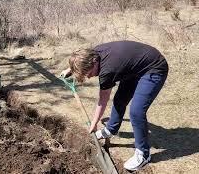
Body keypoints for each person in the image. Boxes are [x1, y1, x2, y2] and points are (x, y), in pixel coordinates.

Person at [60, 40, 168, 171]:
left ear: (94, 63)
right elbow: (82, 58)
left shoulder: (107, 71)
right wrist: (71, 69)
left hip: (154, 68)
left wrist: (93, 124)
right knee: (119, 100)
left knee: (136, 112)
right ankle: (111, 129)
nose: (88, 77)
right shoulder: (94, 53)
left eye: (88, 73)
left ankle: (143, 153)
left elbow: (102, 101)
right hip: (134, 67)